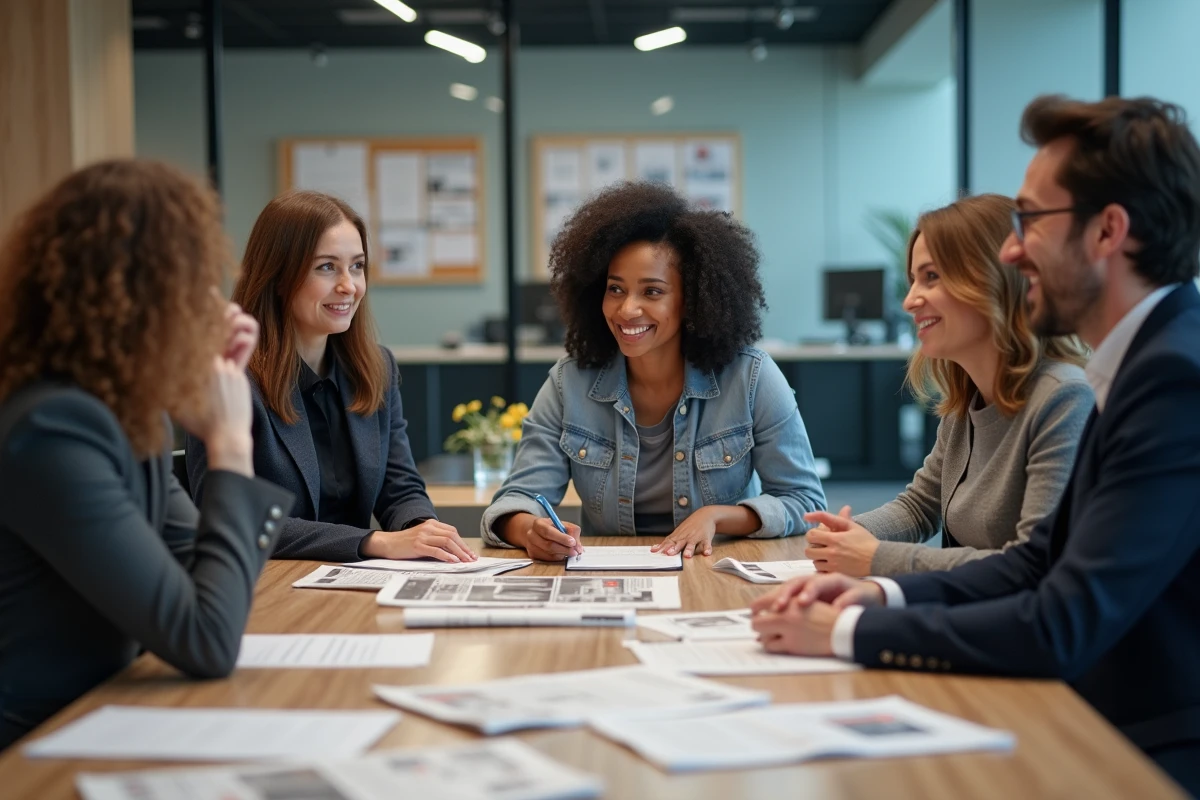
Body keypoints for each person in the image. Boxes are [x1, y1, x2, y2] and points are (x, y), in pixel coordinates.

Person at [750, 95, 1200, 795]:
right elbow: (1037, 561)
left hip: (1135, 744)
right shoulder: (1142, 363)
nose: (1013, 251)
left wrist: (848, 633)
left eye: (1030, 222)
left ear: (1110, 231)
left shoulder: (1170, 379)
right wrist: (879, 594)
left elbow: (1060, 619)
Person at [0, 160, 295, 749]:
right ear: (142, 300)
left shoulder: (122, 414)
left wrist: (190, 383)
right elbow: (207, 639)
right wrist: (231, 444)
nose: (215, 305)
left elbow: (201, 580)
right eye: (194, 285)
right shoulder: (53, 427)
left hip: (104, 716)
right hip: (38, 750)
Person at [481, 182, 826, 560]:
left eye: (652, 292)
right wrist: (530, 528)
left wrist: (718, 517)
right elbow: (514, 502)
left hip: (716, 571)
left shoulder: (751, 377)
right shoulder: (569, 383)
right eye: (615, 289)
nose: (627, 310)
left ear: (693, 299)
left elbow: (804, 502)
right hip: (610, 578)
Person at [804, 194, 1092, 577]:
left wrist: (876, 558)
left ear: (993, 278)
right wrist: (851, 533)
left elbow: (1035, 566)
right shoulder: (968, 401)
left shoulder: (1064, 399)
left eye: (931, 277)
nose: (909, 301)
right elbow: (920, 506)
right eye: (912, 280)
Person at [187, 191, 473, 564]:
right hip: (267, 589)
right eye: (326, 267)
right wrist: (373, 542)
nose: (349, 285)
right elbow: (233, 518)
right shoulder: (230, 378)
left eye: (357, 266)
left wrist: (421, 530)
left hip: (351, 586)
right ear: (278, 276)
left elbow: (399, 487)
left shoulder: (376, 368)